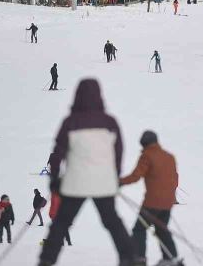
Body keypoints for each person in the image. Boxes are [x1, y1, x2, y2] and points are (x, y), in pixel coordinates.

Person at [39, 79, 135, 266]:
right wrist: (115, 177)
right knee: (112, 222)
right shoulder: (110, 122)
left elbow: (57, 152)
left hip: (76, 182)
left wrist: (54, 179)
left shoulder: (70, 122)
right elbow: (119, 152)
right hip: (103, 183)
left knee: (61, 223)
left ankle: (46, 260)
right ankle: (129, 259)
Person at [120, 131, 180, 265]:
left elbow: (136, 176)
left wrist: (119, 182)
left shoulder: (147, 155)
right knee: (161, 229)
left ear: (144, 143)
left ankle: (139, 258)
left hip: (152, 202)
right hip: (168, 202)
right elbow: (175, 179)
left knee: (139, 229)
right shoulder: (169, 157)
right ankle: (170, 258)